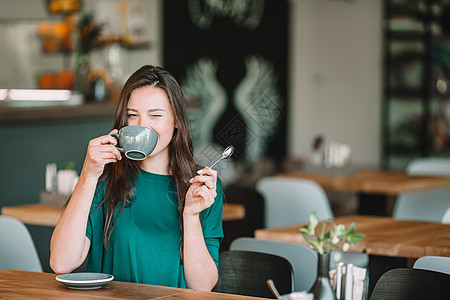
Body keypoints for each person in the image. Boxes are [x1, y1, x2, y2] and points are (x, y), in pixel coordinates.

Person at [50, 65, 223, 291]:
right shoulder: (105, 178)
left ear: (177, 121)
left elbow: (202, 287)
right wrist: (88, 175)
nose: (142, 126)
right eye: (133, 115)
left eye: (155, 115)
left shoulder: (201, 187)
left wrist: (190, 215)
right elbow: (61, 263)